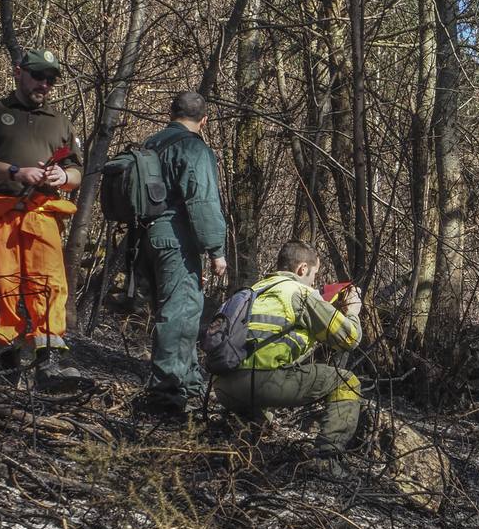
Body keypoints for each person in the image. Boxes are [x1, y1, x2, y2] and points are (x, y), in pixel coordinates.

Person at [0, 48, 84, 387]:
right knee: (0, 283)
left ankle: (50, 365)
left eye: (50, 79)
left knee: (48, 284)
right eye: (38, 75)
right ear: (19, 72)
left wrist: (64, 177)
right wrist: (14, 171)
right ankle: (6, 363)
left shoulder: (60, 122)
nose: (44, 83)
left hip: (42, 213)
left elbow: (76, 171)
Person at [214, 240, 363, 456]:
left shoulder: (253, 290)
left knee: (260, 418)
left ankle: (244, 449)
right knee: (346, 381)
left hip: (223, 387)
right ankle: (327, 458)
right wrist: (353, 311)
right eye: (314, 275)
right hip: (261, 383)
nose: (314, 283)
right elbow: (349, 339)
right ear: (302, 268)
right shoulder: (300, 293)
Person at [133, 91, 228, 419]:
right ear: (204, 120)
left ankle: (189, 384)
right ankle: (167, 393)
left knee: (179, 309)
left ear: (170, 112)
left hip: (145, 238)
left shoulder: (151, 143)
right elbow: (202, 201)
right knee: (180, 313)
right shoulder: (194, 148)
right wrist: (216, 250)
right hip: (176, 240)